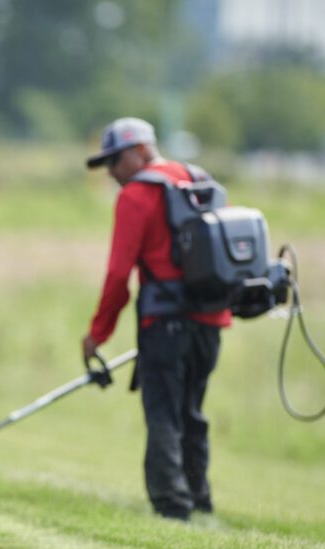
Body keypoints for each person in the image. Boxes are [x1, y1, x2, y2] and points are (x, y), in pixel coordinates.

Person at [81, 117, 230, 522]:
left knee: (164, 413)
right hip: (211, 321)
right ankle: (199, 499)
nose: (111, 172)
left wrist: (97, 334)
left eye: (115, 160)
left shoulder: (136, 195)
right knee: (192, 411)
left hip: (164, 324)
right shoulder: (198, 180)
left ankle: (171, 504)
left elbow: (118, 275)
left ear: (141, 150)